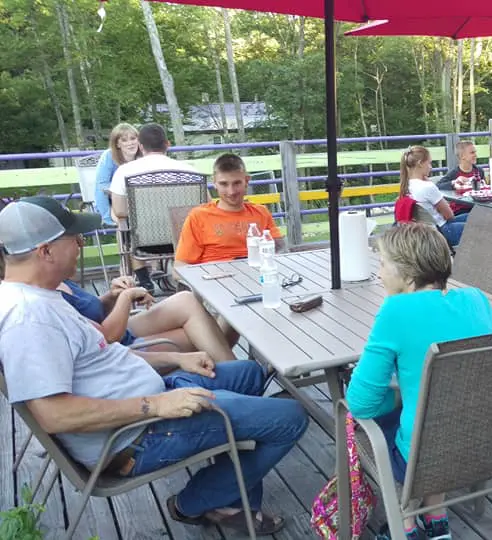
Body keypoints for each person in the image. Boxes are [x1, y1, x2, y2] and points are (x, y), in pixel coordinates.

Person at [0, 196, 306, 535]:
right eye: (74, 238)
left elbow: (103, 354)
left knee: (247, 373)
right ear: (45, 251)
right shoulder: (28, 318)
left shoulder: (45, 296)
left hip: (151, 405)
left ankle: (229, 500)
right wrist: (157, 404)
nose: (80, 243)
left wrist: (176, 358)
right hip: (138, 436)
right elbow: (53, 415)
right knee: (290, 418)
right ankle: (190, 504)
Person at [346, 223, 492, 540]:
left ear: (407, 275)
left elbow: (360, 403)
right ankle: (436, 519)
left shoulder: (396, 310)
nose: (378, 274)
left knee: (365, 422)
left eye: (381, 264)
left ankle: (405, 527)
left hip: (423, 460)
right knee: (440, 411)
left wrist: (400, 397)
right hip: (488, 445)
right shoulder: (475, 298)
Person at [57, 276, 238, 362]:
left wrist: (112, 296)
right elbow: (108, 337)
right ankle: (241, 376)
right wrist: (126, 298)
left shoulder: (59, 279)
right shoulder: (49, 300)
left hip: (120, 329)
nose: (80, 243)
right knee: (200, 334)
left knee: (186, 300)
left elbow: (92, 311)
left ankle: (235, 367)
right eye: (73, 238)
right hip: (118, 350)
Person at [109, 123, 200, 292]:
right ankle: (185, 281)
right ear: (167, 144)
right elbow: (204, 205)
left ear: (141, 147)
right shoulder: (189, 171)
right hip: (184, 241)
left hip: (144, 243)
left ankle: (144, 282)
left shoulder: (125, 172)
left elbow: (120, 211)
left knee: (127, 228)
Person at [175, 153, 284, 266]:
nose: (231, 191)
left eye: (236, 183)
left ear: (246, 181)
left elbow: (280, 252)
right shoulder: (199, 216)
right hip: (216, 277)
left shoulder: (261, 212)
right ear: (214, 183)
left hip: (257, 274)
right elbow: (180, 266)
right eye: (224, 184)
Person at [400, 146, 469, 247]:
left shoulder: (406, 185)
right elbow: (449, 215)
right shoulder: (427, 186)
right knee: (481, 228)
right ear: (420, 163)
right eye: (429, 163)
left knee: (472, 217)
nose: (431, 167)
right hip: (442, 231)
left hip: (427, 232)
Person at [93, 123, 142, 226]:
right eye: (124, 140)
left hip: (139, 198)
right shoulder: (108, 156)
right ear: (117, 144)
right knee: (122, 221)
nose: (130, 143)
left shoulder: (143, 155)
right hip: (113, 198)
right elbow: (101, 184)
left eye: (133, 139)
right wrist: (106, 216)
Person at [436, 140, 485, 216]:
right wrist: (454, 182)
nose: (476, 155)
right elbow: (438, 185)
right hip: (460, 209)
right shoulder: (454, 173)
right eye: (472, 153)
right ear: (462, 156)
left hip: (477, 207)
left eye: (475, 152)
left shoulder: (479, 171)